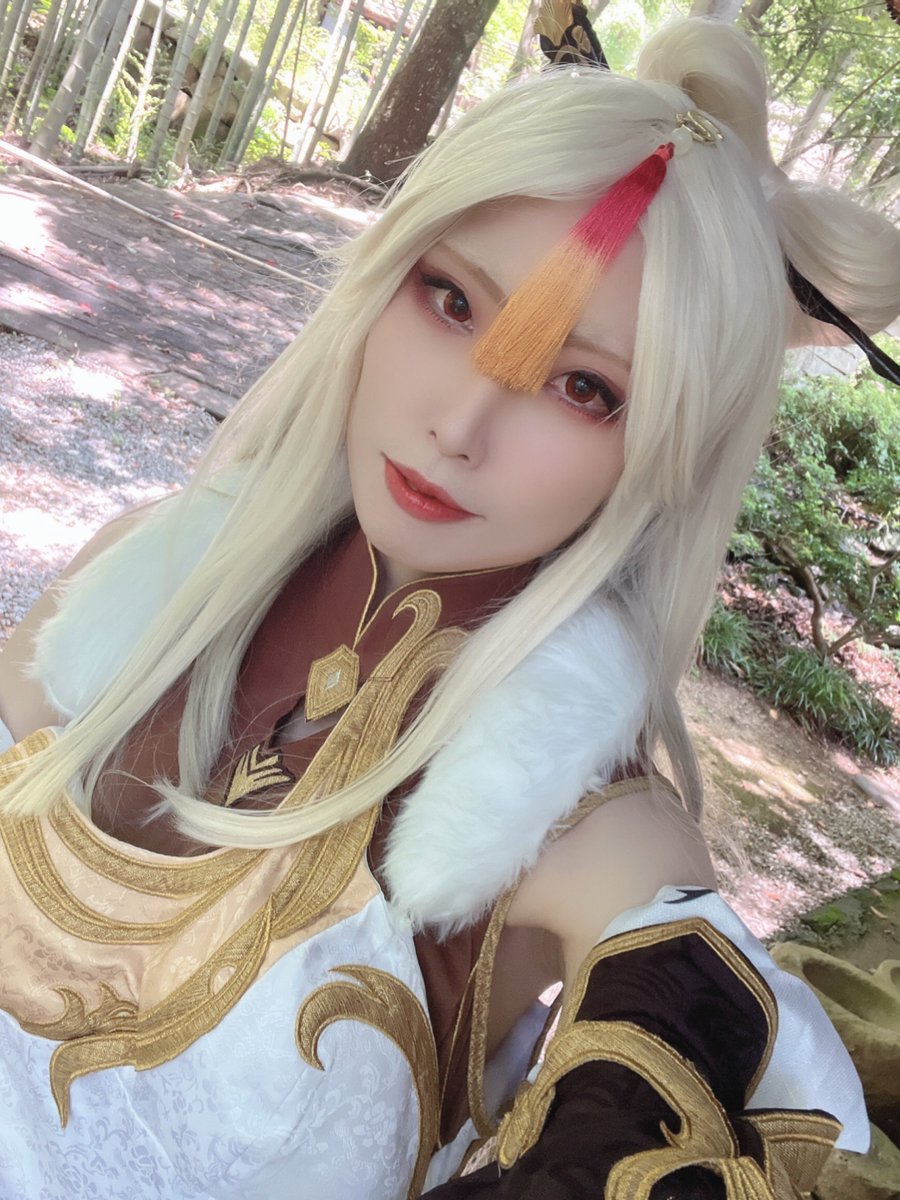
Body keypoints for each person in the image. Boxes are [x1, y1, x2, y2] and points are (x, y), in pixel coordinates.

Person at [0, 9, 897, 1199]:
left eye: (585, 388)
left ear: (668, 457)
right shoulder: (146, 574)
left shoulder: (586, 830)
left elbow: (733, 1111)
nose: (459, 424)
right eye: (452, 301)